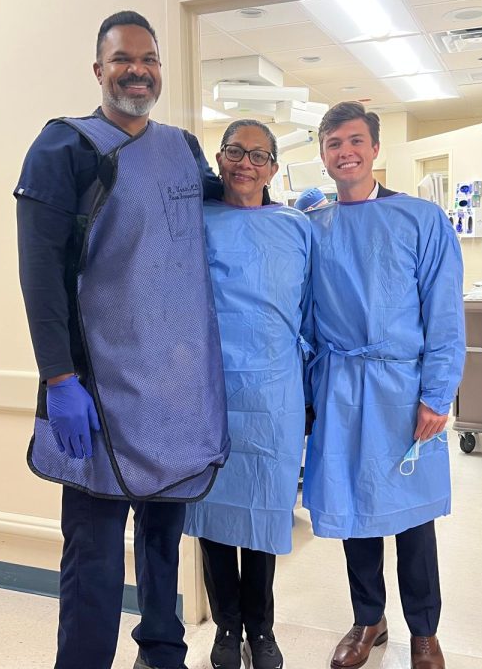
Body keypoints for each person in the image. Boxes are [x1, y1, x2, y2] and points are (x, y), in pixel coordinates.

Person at [14, 10, 230, 669]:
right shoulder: (65, 147)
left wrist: (286, 205)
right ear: (98, 70)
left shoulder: (183, 148)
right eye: (122, 59)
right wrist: (59, 379)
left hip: (174, 394)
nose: (138, 71)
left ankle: (162, 654)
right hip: (98, 391)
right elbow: (40, 275)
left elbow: (222, 209)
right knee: (95, 560)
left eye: (149, 59)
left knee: (164, 548)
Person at [302, 102, 465, 669]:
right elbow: (304, 319)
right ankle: (368, 618)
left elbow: (444, 315)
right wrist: (307, 396)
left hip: (402, 385)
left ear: (374, 148)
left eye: (355, 141)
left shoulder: (421, 220)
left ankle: (424, 631)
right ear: (323, 156)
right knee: (353, 508)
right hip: (339, 386)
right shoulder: (314, 227)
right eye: (333, 144)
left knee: (412, 515)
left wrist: (436, 395)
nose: (344, 152)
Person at [183, 119, 312, 669]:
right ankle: (226, 625)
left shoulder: (297, 228)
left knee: (264, 511)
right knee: (213, 512)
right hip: (208, 389)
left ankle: (261, 629)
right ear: (219, 159)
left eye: (259, 156)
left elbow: (312, 311)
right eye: (235, 152)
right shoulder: (194, 222)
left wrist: (311, 394)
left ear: (274, 169)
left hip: (274, 393)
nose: (246, 164)